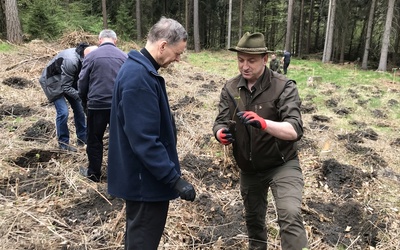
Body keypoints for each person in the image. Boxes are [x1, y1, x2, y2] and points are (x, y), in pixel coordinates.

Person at [213, 32, 308, 250]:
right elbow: (220, 122)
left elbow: (294, 129)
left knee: (290, 214)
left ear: (265, 59)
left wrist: (264, 124)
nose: (244, 66)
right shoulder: (230, 88)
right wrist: (220, 133)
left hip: (282, 163)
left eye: (251, 60)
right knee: (254, 220)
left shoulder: (283, 86)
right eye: (240, 60)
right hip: (248, 168)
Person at [107, 17, 196, 249]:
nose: (178, 59)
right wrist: (174, 180)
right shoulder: (139, 78)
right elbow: (144, 140)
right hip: (144, 182)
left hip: (143, 179)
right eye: (177, 53)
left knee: (139, 240)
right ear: (163, 45)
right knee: (142, 243)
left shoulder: (141, 71)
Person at [77, 30, 127, 182]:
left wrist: (84, 101)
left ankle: (94, 174)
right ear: (115, 40)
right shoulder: (124, 56)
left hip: (96, 105)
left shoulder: (91, 56)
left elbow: (82, 81)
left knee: (94, 139)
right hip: (117, 106)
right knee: (117, 141)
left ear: (99, 40)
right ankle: (117, 175)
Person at [39, 42, 89, 152]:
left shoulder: (84, 56)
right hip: (52, 83)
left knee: (79, 110)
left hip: (66, 81)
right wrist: (82, 97)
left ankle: (82, 138)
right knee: (63, 112)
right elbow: (66, 87)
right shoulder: (71, 61)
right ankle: (63, 143)